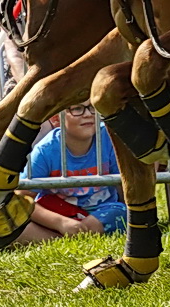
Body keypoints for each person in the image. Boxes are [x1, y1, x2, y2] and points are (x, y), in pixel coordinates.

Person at [15, 103, 125, 246]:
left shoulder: (110, 138)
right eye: (77, 109)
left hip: (101, 212)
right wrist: (60, 222)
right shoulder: (45, 150)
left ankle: (57, 239)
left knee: (120, 213)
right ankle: (70, 236)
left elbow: (125, 187)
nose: (87, 114)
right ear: (56, 118)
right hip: (56, 213)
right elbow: (22, 198)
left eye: (92, 107)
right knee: (15, 225)